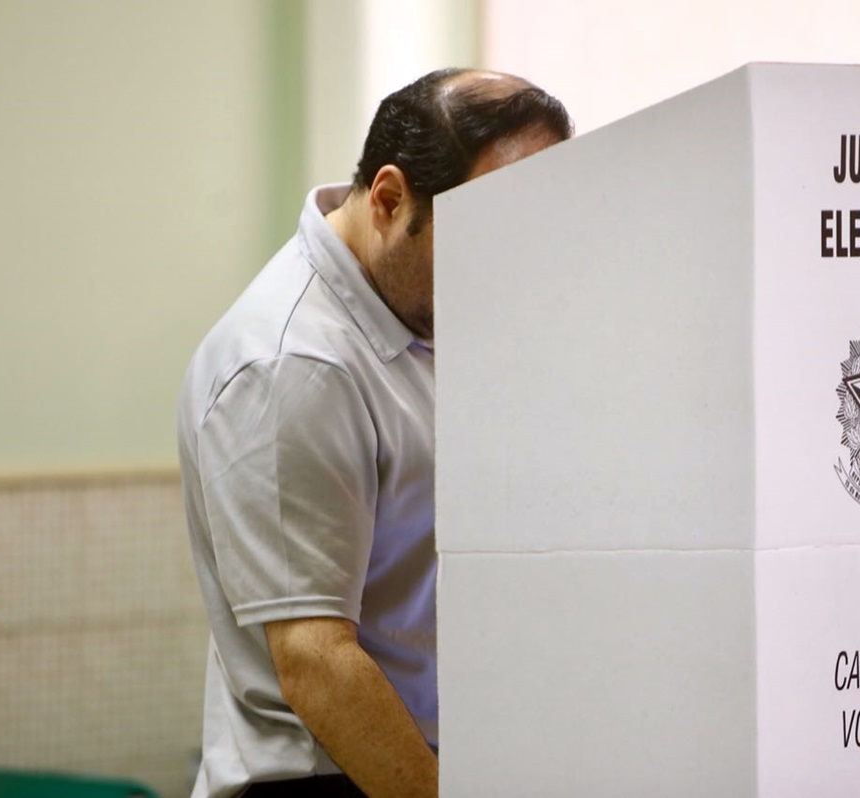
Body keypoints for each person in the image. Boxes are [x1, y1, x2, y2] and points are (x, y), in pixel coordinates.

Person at [177, 68, 572, 798]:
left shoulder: (422, 309)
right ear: (390, 200)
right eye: (483, 242)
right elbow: (316, 661)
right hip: (334, 776)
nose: (508, 275)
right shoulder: (293, 365)